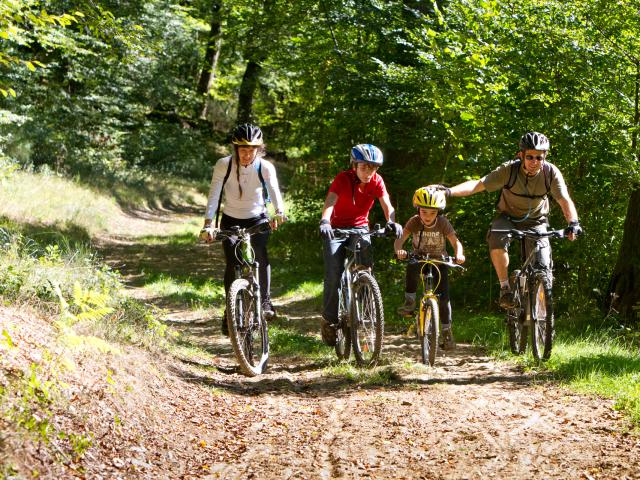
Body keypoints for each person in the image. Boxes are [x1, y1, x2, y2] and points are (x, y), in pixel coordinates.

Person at [433, 131, 582, 309]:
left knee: (543, 267)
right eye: (530, 157)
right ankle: (505, 288)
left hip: (537, 221)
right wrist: (448, 191)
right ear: (521, 155)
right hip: (508, 218)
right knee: (496, 237)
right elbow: (478, 185)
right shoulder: (509, 170)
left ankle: (542, 317)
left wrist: (573, 223)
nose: (535, 162)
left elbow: (564, 200)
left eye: (539, 158)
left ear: (545, 157)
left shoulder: (550, 173)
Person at [200, 124, 286, 334]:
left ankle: (265, 302)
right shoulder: (224, 165)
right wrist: (208, 224)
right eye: (243, 150)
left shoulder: (265, 167)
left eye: (252, 150)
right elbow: (214, 194)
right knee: (232, 262)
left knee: (260, 255)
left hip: (257, 218)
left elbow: (274, 190)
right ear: (235, 149)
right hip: (230, 219)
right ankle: (229, 311)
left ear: (259, 149)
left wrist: (279, 212)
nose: (247, 155)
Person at [319, 144, 403, 346]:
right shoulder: (343, 179)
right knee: (333, 272)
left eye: (373, 168)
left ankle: (365, 308)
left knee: (365, 267)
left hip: (360, 228)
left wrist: (392, 222)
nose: (369, 172)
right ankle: (329, 321)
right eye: (364, 167)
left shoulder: (376, 181)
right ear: (354, 165)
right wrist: (325, 221)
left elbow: (387, 204)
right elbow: (331, 200)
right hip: (336, 228)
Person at [394, 187, 465, 349]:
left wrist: (459, 254)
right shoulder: (414, 221)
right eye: (424, 212)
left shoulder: (443, 223)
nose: (427, 216)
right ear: (418, 209)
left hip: (440, 262)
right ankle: (410, 301)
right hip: (419, 259)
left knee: (444, 298)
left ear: (438, 212)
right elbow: (400, 239)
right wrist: (399, 250)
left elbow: (455, 242)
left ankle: (446, 331)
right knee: (412, 266)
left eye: (432, 213)